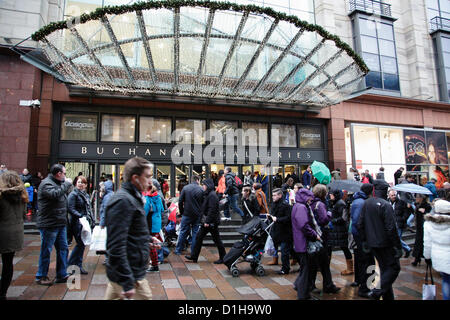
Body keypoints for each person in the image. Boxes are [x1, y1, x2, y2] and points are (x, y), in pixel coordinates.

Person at [104, 157, 158, 300]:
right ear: (135, 178)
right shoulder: (123, 201)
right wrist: (127, 282)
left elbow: (128, 232)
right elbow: (115, 245)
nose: (150, 181)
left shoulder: (132, 197)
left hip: (126, 271)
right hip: (129, 274)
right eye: (147, 177)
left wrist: (145, 239)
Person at [357, 184, 402, 300]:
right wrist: (397, 246)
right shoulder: (385, 205)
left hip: (372, 243)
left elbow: (359, 224)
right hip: (385, 243)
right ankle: (377, 291)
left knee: (385, 269)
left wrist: (365, 240)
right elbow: (391, 228)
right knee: (393, 268)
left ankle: (387, 296)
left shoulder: (367, 203)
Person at [35, 164, 73, 286]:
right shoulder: (46, 184)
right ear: (58, 174)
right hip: (49, 224)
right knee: (46, 250)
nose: (65, 176)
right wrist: (67, 184)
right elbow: (54, 194)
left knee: (63, 248)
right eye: (64, 173)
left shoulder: (57, 183)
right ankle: (41, 275)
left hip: (60, 222)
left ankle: (61, 274)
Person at [309, 184, 341, 294]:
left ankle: (313, 285)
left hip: (314, 235)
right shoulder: (320, 204)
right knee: (324, 262)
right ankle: (328, 285)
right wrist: (329, 214)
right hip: (322, 235)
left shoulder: (311, 203)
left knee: (315, 262)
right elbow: (323, 220)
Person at [0, 170, 27, 300]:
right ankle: (2, 292)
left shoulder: (1, 196)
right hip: (15, 234)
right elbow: (23, 215)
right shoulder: (22, 196)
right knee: (8, 264)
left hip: (2, 232)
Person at [187, 179, 226, 264]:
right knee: (199, 237)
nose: (202, 186)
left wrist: (207, 221)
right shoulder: (209, 194)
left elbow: (212, 210)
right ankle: (194, 256)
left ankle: (223, 257)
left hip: (210, 222)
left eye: (204, 185)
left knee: (216, 240)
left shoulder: (212, 195)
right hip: (209, 222)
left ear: (208, 186)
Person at [291, 188, 319, 300]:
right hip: (302, 242)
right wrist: (314, 234)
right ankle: (303, 295)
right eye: (309, 197)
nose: (311, 200)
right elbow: (304, 225)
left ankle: (300, 286)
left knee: (304, 268)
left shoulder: (297, 206)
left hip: (299, 242)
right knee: (306, 269)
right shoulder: (301, 208)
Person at [349, 184, 376, 298]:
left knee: (361, 260)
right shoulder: (362, 203)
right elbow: (358, 222)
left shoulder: (357, 201)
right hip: (362, 237)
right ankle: (366, 287)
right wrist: (364, 237)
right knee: (369, 262)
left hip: (358, 236)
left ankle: (360, 282)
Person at [424, 199, 450, 300]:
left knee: (446, 281)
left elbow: (427, 243)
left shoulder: (428, 224)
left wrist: (427, 257)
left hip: (439, 258)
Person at [67, 175, 94, 275]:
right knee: (80, 243)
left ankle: (78, 265)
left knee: (82, 244)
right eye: (79, 182)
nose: (80, 184)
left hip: (84, 222)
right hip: (76, 222)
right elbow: (70, 208)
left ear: (86, 185)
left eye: (83, 182)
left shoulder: (85, 195)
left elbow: (88, 208)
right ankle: (70, 264)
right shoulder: (73, 195)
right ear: (75, 183)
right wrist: (81, 216)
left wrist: (91, 219)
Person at [175, 175, 204, 257]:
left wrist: (182, 211)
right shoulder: (201, 189)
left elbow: (180, 201)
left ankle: (178, 250)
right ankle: (193, 251)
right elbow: (203, 202)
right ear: (198, 180)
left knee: (183, 232)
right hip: (197, 214)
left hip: (187, 213)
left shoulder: (186, 188)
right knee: (195, 233)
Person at [328, 189, 353, 275]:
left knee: (344, 247)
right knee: (341, 247)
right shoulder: (336, 203)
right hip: (337, 230)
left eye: (331, 194)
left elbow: (344, 218)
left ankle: (350, 268)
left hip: (340, 229)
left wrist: (333, 220)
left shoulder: (341, 204)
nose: (330, 195)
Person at [268, 188, 293, 275]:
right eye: (272, 195)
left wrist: (277, 219)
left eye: (275, 195)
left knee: (284, 251)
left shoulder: (285, 205)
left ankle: (285, 268)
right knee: (287, 250)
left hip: (285, 232)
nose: (273, 197)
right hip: (277, 231)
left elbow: (288, 218)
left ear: (280, 195)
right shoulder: (274, 204)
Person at [143, 184, 164, 272]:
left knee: (150, 245)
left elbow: (144, 212)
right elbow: (162, 209)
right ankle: (154, 264)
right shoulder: (158, 197)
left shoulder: (148, 198)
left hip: (149, 223)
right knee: (152, 244)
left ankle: (154, 265)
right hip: (156, 223)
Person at [388, 189, 412, 258]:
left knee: (397, 238)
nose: (393, 196)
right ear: (389, 196)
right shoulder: (388, 202)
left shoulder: (401, 202)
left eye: (394, 195)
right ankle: (406, 249)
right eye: (392, 195)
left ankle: (406, 249)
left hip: (399, 223)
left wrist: (403, 219)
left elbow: (407, 212)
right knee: (396, 238)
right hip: (392, 223)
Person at [411, 193, 432, 266]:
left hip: (425, 227)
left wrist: (425, 212)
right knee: (418, 243)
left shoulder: (427, 206)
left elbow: (431, 216)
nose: (416, 198)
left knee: (424, 243)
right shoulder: (417, 205)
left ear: (421, 198)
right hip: (419, 227)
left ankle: (427, 259)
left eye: (417, 197)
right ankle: (417, 258)